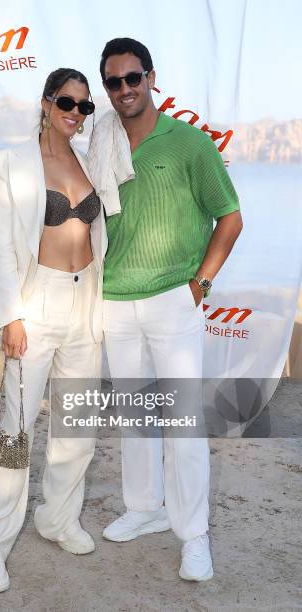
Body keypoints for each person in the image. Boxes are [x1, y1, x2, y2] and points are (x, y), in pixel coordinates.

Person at [88, 38, 243, 582]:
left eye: (133, 78)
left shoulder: (189, 143)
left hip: (174, 300)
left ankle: (193, 535)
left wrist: (199, 284)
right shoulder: (98, 142)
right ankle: (144, 508)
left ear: (151, 78)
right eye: (113, 82)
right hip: (114, 300)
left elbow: (229, 217)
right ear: (104, 86)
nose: (125, 90)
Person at [0, 68, 107, 593]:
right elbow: (0, 247)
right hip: (36, 303)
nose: (76, 112)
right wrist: (12, 316)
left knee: (77, 425)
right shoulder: (8, 164)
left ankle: (58, 519)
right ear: (47, 102)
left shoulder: (92, 160)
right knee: (14, 432)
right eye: (68, 102)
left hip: (85, 302)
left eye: (85, 106)